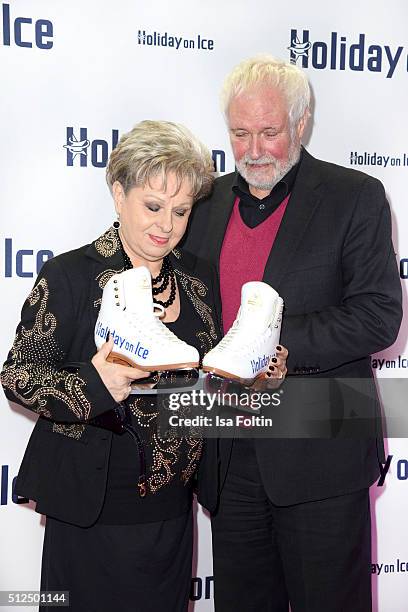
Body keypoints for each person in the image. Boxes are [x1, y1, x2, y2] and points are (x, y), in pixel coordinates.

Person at [1, 119, 287, 612]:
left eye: (180, 212)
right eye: (152, 207)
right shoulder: (72, 274)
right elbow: (17, 377)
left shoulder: (197, 280)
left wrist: (258, 378)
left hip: (172, 511)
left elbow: (207, 389)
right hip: (91, 511)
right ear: (118, 194)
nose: (166, 226)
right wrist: (96, 382)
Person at [183, 55, 403, 611]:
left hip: (323, 452)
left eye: (269, 132)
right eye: (239, 133)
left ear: (301, 124)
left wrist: (281, 348)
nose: (253, 149)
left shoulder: (355, 195)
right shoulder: (205, 202)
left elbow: (380, 314)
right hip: (229, 456)